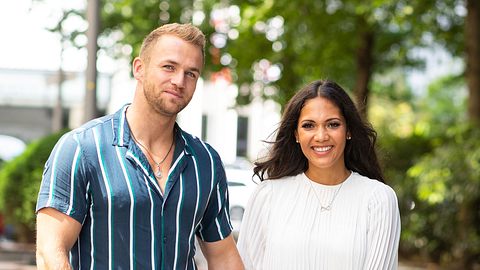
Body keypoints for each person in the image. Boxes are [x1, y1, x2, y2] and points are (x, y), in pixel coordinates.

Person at [36, 23, 244, 270]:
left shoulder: (205, 162)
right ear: (139, 68)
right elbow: (51, 252)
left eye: (191, 73)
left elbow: (224, 257)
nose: (179, 81)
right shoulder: (82, 149)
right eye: (169, 67)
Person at [237, 80, 401, 269]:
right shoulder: (268, 196)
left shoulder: (378, 199)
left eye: (332, 124)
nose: (321, 136)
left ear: (348, 130)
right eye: (308, 125)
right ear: (296, 134)